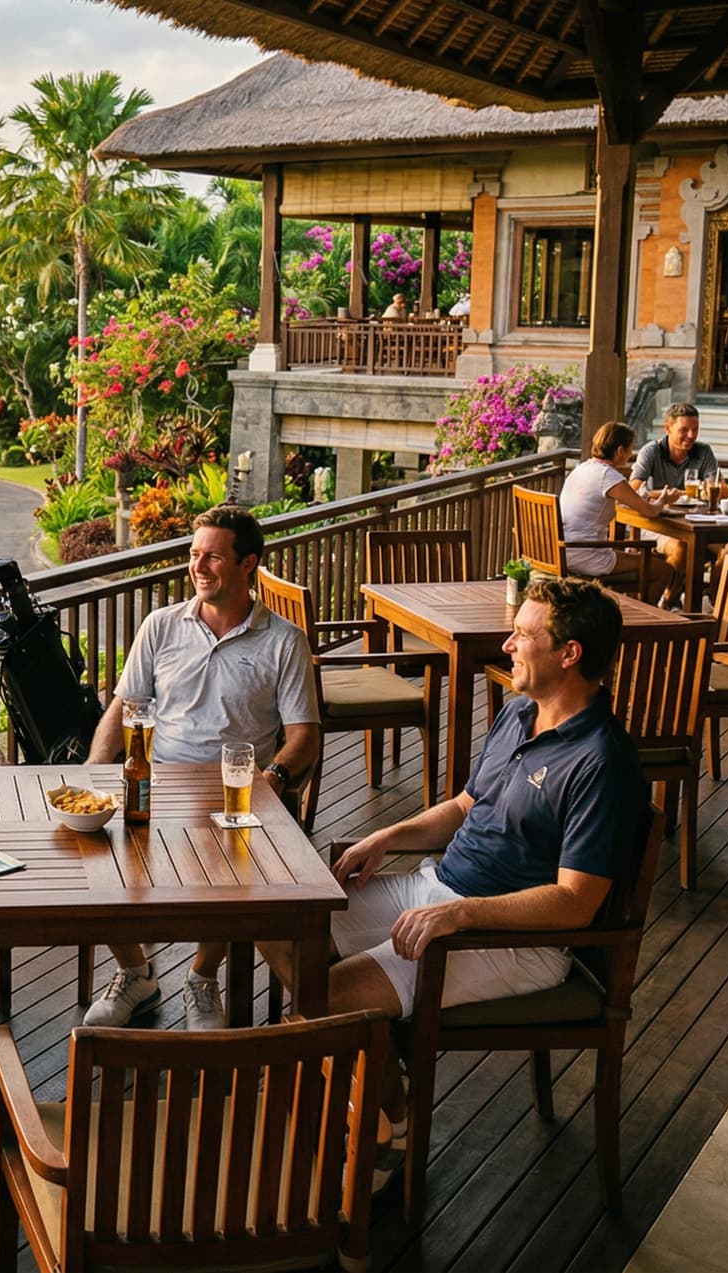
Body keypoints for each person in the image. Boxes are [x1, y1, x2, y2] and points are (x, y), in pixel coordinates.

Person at [323, 578, 642, 1183]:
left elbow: (576, 902)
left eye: (523, 634)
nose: (508, 643)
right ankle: (382, 1069)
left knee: (332, 994)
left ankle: (389, 1125)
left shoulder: (602, 761)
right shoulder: (521, 712)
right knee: (289, 924)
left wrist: (460, 916)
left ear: (569, 654)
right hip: (440, 888)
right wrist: (387, 836)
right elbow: (469, 805)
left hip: (517, 941)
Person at [82, 505, 320, 1031]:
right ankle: (135, 971)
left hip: (234, 794)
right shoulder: (161, 626)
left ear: (247, 564)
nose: (198, 566)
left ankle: (202, 976)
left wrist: (273, 780)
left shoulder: (284, 641)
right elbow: (124, 706)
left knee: (231, 873)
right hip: (156, 781)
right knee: (90, 862)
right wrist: (95, 773)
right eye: (194, 554)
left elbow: (304, 735)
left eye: (212, 556)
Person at [630, 403, 721, 608]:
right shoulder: (652, 451)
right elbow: (634, 488)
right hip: (654, 524)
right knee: (682, 547)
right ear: (668, 429)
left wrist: (706, 490)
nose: (691, 435)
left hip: (695, 525)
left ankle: (715, 607)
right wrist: (669, 495)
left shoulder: (703, 452)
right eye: (684, 430)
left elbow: (718, 487)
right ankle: (667, 603)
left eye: (695, 429)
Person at [557, 422, 661, 599]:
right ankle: (646, 621)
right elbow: (650, 511)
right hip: (585, 555)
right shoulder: (608, 475)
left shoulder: (581, 468)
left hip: (562, 550)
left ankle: (631, 611)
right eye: (630, 450)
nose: (631, 455)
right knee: (662, 569)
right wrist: (664, 500)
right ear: (620, 450)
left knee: (640, 556)